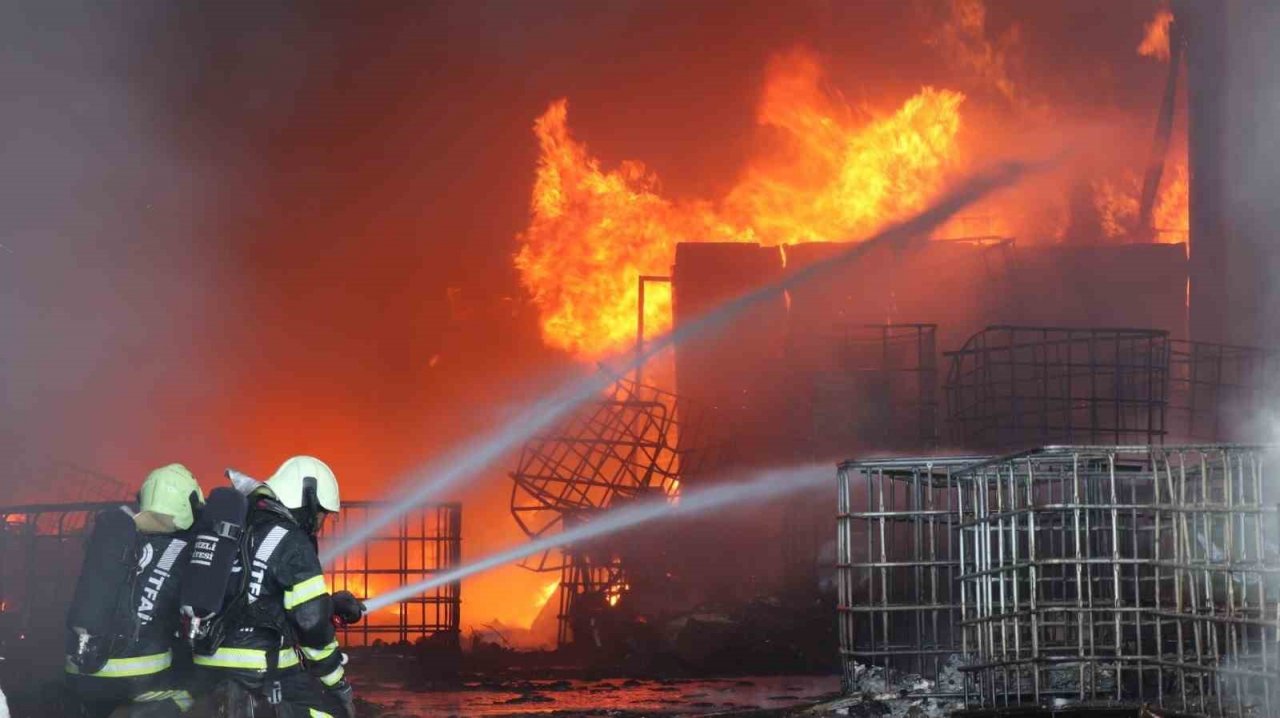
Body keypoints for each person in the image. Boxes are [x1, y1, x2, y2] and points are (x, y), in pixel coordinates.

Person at [191, 456, 358, 718]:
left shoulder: (238, 529)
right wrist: (338, 683)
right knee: (330, 713)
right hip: (261, 670)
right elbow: (312, 624)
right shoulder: (292, 540)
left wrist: (330, 605)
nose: (321, 522)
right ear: (308, 497)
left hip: (206, 667)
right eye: (321, 513)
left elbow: (252, 594)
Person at [65, 463, 205, 717]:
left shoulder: (115, 537)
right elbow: (196, 606)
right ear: (187, 504)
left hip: (81, 672)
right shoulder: (185, 549)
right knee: (197, 687)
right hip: (140, 678)